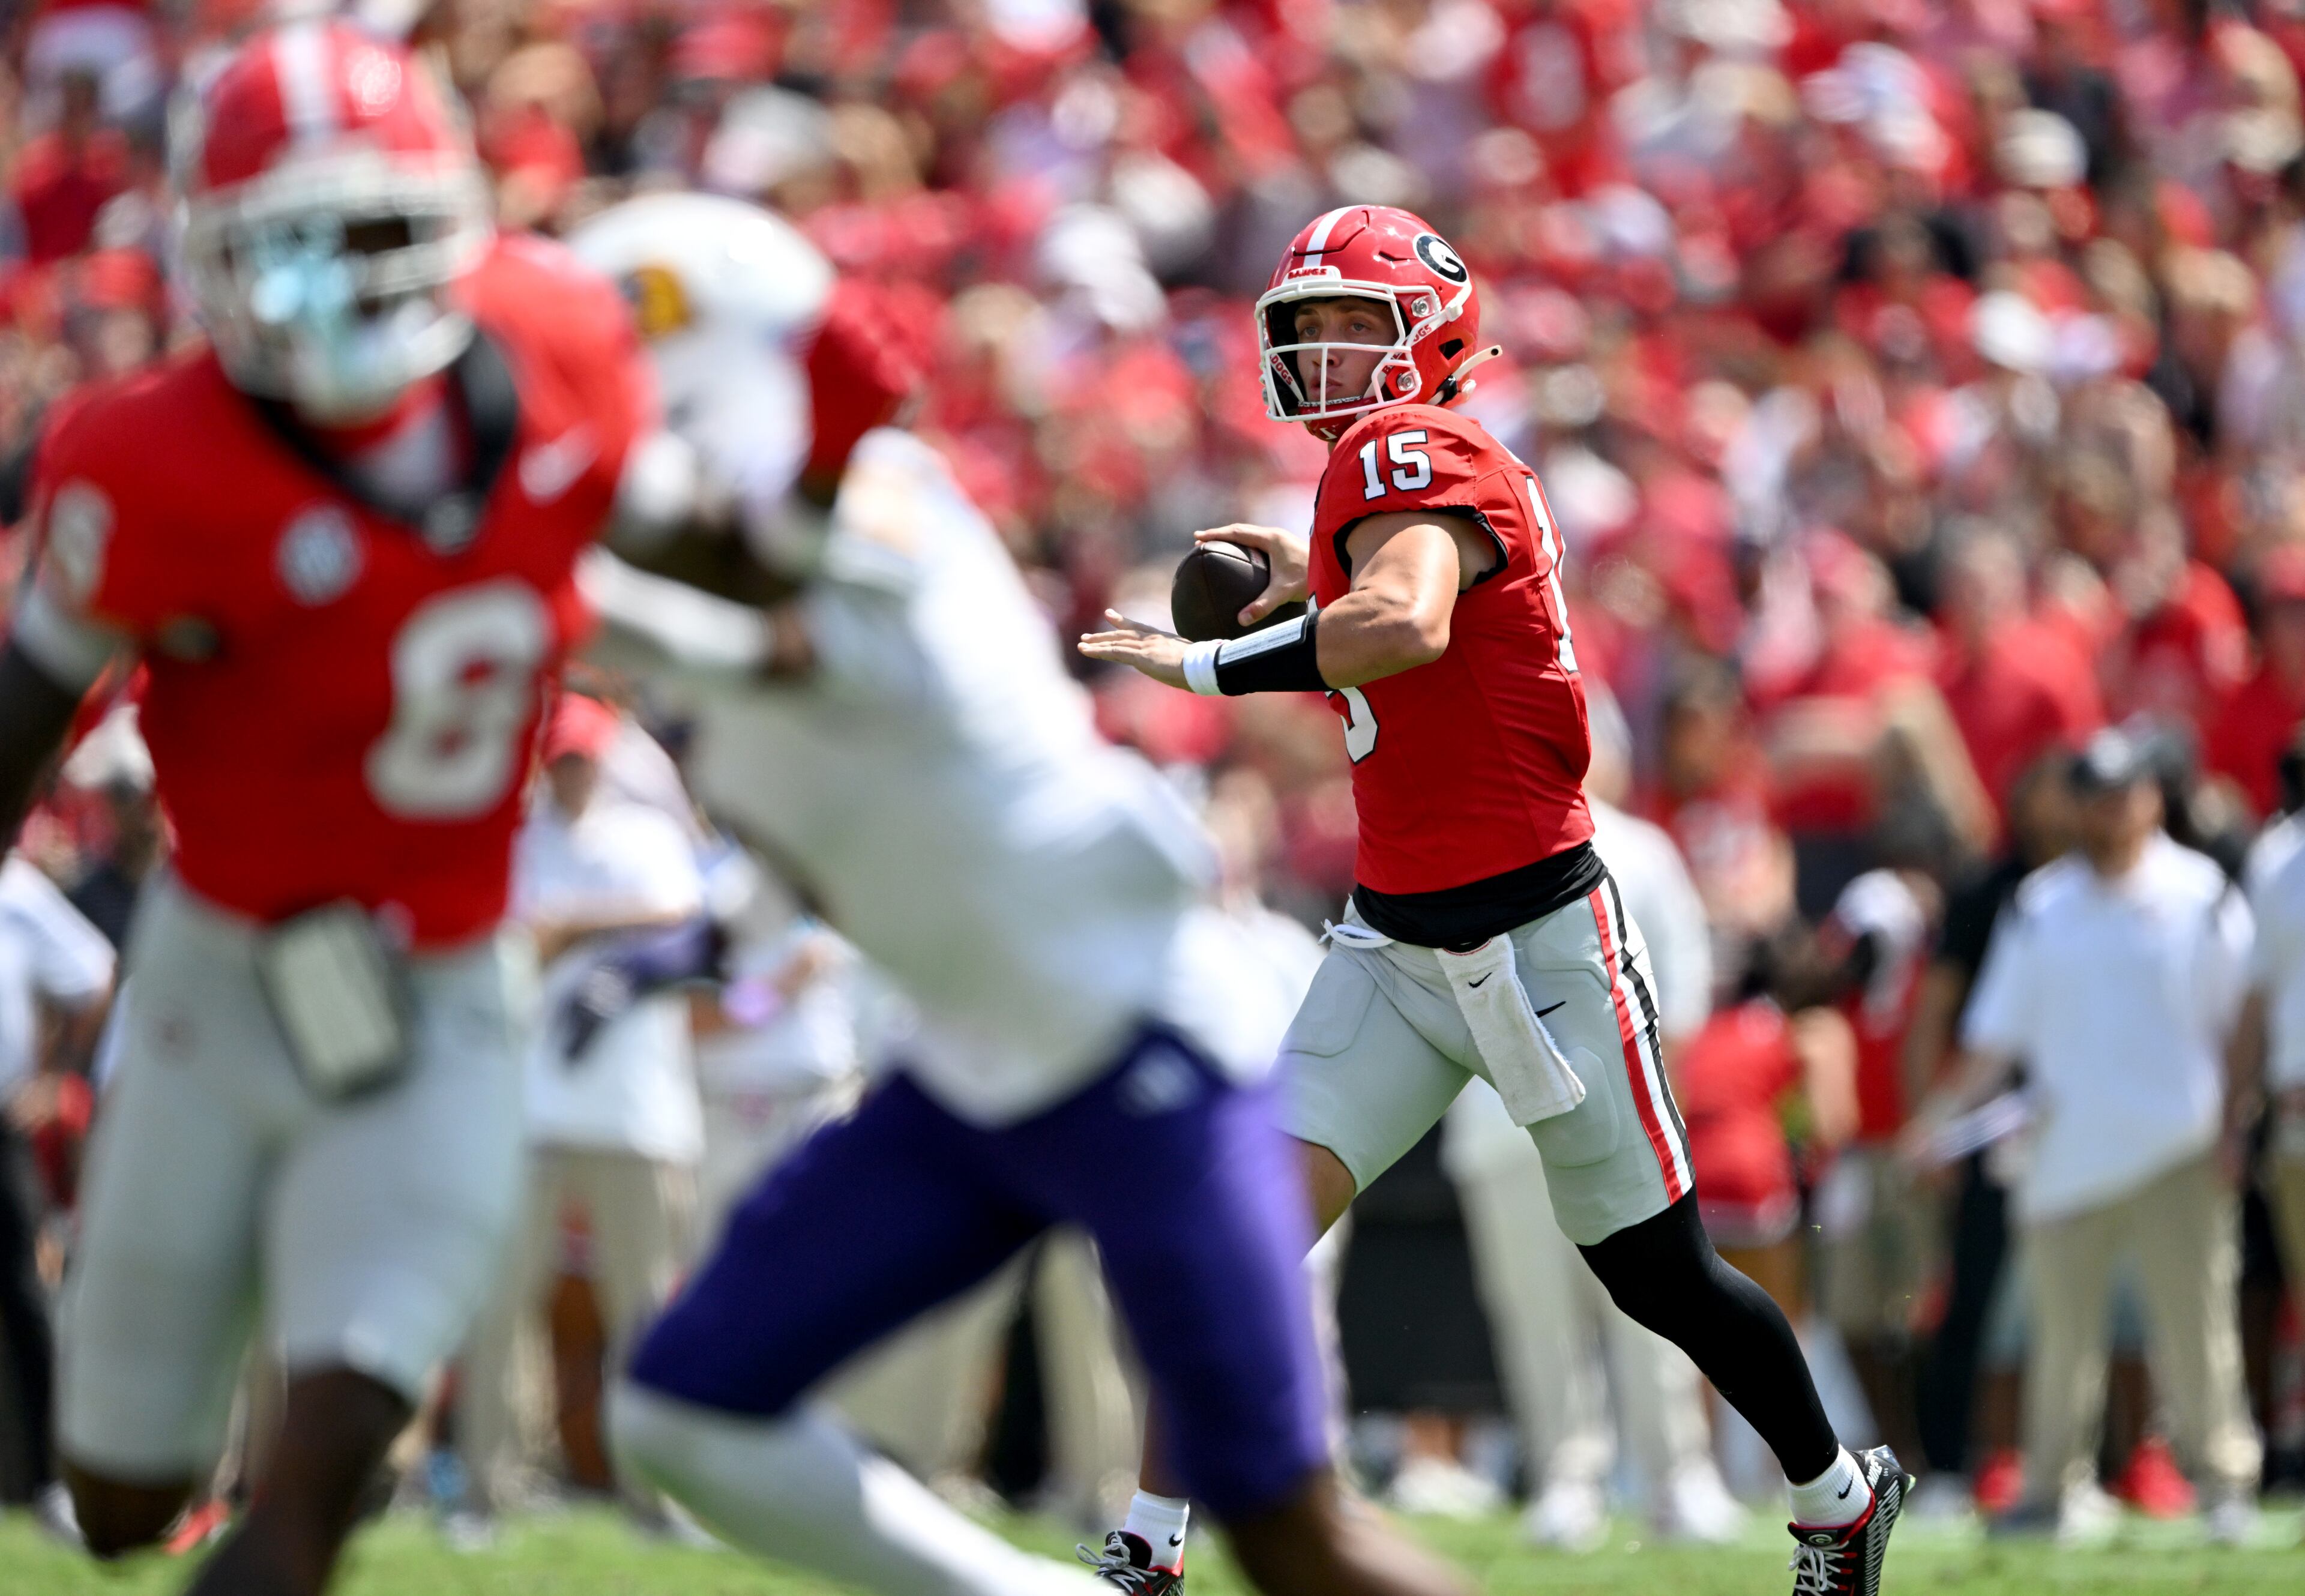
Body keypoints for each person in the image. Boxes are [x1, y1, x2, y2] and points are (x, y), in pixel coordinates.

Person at [567, 191, 1472, 1596]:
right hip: (969, 1070)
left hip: (1141, 1038)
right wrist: (698, 940)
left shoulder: (858, 498)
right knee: (681, 1411)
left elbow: (753, 592)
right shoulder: (712, 572)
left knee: (1289, 1532)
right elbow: (816, 803)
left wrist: (526, 569)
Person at [1079, 203, 1909, 1596]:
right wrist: (1314, 577)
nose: (1331, 352)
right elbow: (1407, 613)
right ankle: (1149, 1543)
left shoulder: (1417, 445)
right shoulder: (1388, 468)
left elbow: (1405, 622)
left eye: (1359, 321)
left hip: (1537, 938)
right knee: (1229, 1232)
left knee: (1659, 1275)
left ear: (1433, 329)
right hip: (1394, 937)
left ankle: (1835, 1489)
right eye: (1313, 327)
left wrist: (1208, 668)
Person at [0, 23, 648, 1595]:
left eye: (366, 231)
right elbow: (20, 721)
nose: (334, 287)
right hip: (218, 980)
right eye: (279, 249)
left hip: (441, 990)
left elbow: (709, 548)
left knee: (327, 1446)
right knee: (119, 1492)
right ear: (207, 256)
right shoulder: (146, 457)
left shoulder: (565, 345)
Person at [1906, 728, 2262, 1542]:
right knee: (2059, 1334)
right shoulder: (2041, 906)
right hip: (2068, 1155)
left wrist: (2236, 1118)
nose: (2107, 813)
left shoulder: (2200, 891)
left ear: (2150, 798)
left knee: (2196, 1323)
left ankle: (2225, 1481)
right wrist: (1937, 1123)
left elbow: (2242, 1017)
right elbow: (1996, 1040)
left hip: (2181, 1145)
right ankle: (2049, 1485)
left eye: (2121, 794)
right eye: (2093, 796)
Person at [1439, 685, 1744, 1549]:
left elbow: (1678, 1001)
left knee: (1657, 1305)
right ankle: (1565, 1477)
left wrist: (1651, 1110)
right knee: (1533, 1310)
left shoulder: (1642, 851)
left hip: (1620, 1125)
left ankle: (1678, 1478)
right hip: (1502, 1129)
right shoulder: (1462, 844)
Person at [455, 693, 706, 1538]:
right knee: (499, 1303)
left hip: (637, 1107)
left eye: (579, 757)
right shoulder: (519, 841)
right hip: (528, 1103)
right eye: (556, 758)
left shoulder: (648, 837)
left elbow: (681, 918)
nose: (568, 772)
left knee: (646, 1308)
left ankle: (657, 1493)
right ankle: (491, 1489)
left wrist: (574, 929)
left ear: (602, 760)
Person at [0, 845, 114, 1538]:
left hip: (1, 1125)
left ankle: (47, 1482)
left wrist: (57, 1076)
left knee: (25, 1301)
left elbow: (93, 973)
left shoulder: (14, 886)